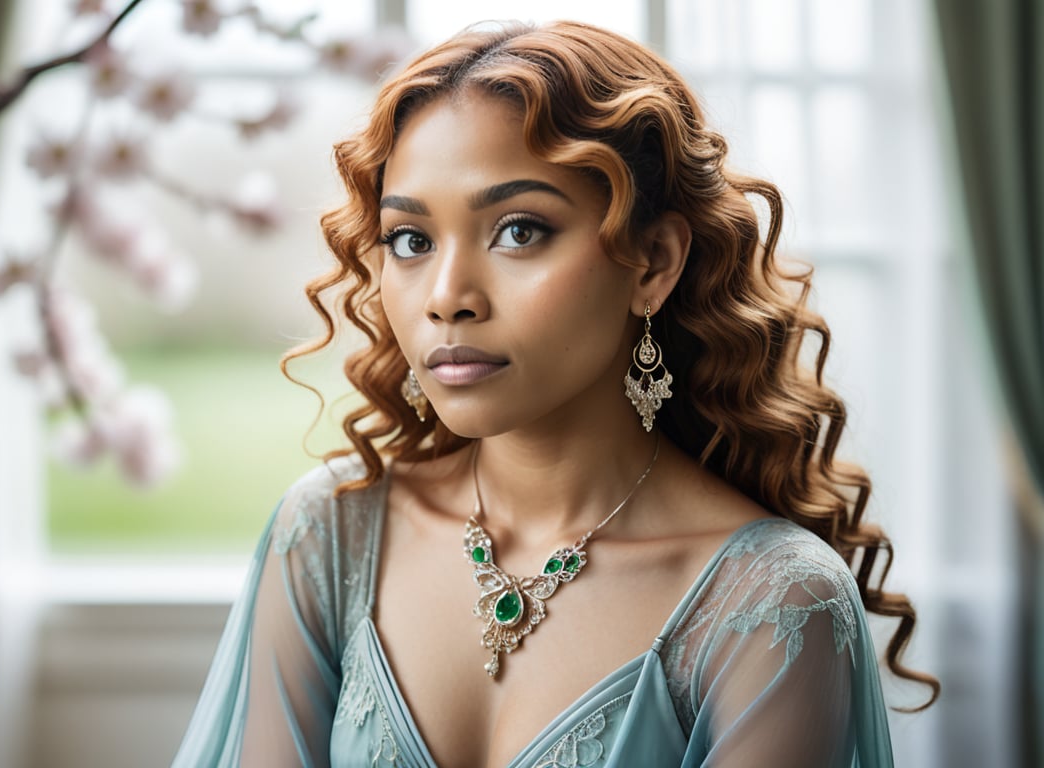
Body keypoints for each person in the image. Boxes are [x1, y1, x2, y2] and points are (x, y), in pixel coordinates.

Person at [173, 20, 938, 768]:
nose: (447, 297)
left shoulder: (775, 606)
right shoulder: (329, 536)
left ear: (652, 262)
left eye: (519, 231)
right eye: (412, 240)